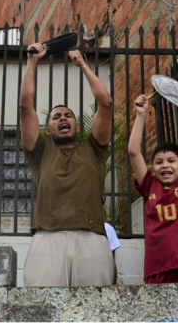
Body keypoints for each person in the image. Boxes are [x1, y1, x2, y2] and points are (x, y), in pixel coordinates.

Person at [20, 43, 114, 287]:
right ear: (47, 129)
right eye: (56, 117)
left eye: (68, 115)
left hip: (92, 240)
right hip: (47, 240)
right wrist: (32, 62)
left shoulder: (94, 149)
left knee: (94, 312)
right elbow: (25, 106)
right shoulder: (40, 153)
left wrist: (82, 64)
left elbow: (106, 104)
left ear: (78, 126)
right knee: (42, 311)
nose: (63, 118)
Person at [129, 91, 178, 284]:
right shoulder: (148, 186)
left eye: (171, 161)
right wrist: (141, 115)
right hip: (156, 269)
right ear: (152, 170)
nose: (165, 165)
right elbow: (133, 151)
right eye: (159, 162)